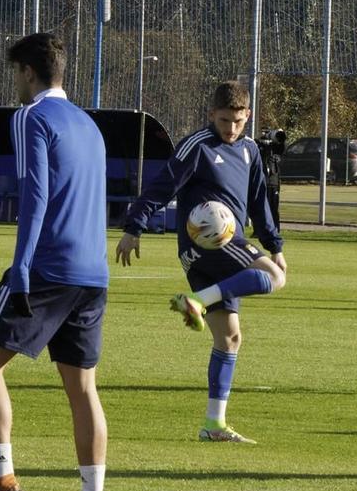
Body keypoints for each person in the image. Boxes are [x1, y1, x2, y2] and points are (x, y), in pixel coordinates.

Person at [0, 33, 113, 491]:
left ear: (26, 71)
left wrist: (21, 266)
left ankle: (1, 480)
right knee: (83, 388)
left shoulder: (30, 117)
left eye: (14, 73)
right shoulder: (89, 124)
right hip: (92, 272)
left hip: (46, 268)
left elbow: (34, 193)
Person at [117, 80, 288, 444]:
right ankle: (197, 301)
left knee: (229, 339)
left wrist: (274, 244)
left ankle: (214, 424)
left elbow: (259, 200)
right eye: (225, 120)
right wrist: (135, 226)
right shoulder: (197, 145)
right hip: (208, 241)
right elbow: (163, 185)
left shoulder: (251, 151)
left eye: (238, 122)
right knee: (274, 278)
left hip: (223, 246)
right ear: (211, 114)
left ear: (248, 117)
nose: (231, 129)